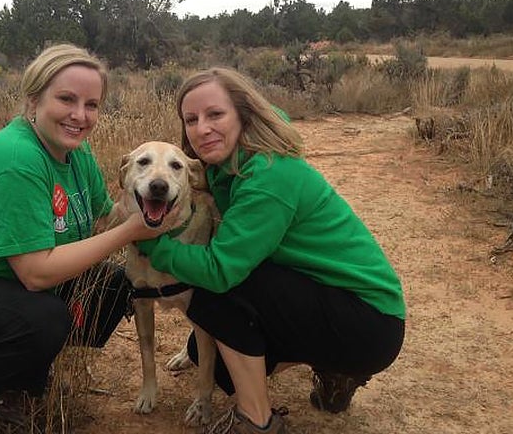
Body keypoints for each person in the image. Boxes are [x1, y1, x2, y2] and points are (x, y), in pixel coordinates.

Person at [0, 44, 172, 434]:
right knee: (43, 318)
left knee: (112, 287)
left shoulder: (75, 151)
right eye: (66, 99)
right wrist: (130, 231)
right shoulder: (17, 159)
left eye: (92, 104)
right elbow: (35, 275)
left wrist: (148, 191)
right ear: (34, 98)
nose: (80, 115)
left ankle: (17, 373)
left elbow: (105, 217)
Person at [134, 67, 406, 434]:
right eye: (191, 119)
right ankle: (333, 370)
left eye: (215, 114)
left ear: (243, 113)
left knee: (216, 296)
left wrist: (153, 246)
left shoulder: (269, 173)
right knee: (208, 357)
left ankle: (256, 420)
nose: (202, 128)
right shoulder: (229, 165)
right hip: (330, 298)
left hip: (368, 320)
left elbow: (220, 270)